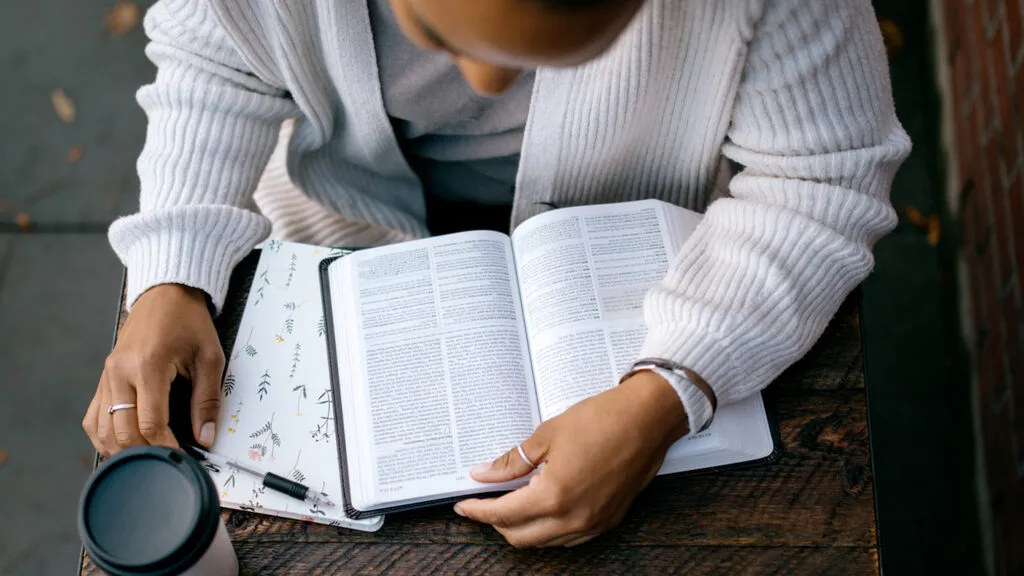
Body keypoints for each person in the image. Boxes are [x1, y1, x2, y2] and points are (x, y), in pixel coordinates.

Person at [83, 0, 910, 548]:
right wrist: (172, 275)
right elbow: (217, 56)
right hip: (340, 226)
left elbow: (822, 180)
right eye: (440, 39)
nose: (487, 86)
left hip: (638, 262)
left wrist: (673, 389)